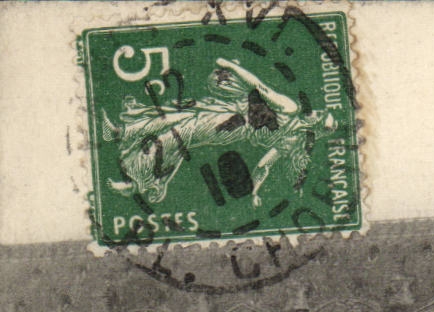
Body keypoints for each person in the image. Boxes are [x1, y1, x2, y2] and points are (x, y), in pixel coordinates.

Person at [102, 57, 336, 207]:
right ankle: (122, 133)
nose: (315, 111)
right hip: (228, 111)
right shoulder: (291, 142)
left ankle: (136, 181)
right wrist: (254, 192)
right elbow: (263, 166)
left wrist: (231, 65)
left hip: (230, 122)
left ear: (315, 122)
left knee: (180, 135)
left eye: (319, 114)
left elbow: (260, 87)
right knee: (176, 114)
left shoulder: (290, 109)